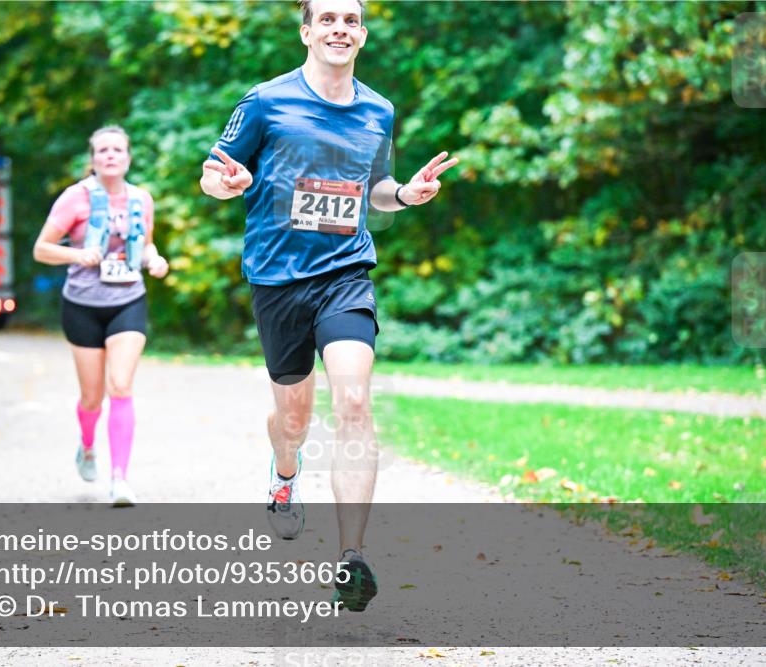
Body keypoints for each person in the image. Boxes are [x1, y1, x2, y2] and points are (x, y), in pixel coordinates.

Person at [200, 0, 457, 612]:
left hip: (345, 273)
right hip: (277, 278)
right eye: (328, 19)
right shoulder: (264, 101)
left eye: (350, 20)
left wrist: (407, 194)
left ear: (362, 35)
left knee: (354, 400)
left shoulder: (378, 110)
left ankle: (351, 558)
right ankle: (284, 474)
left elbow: (375, 191)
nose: (339, 28)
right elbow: (212, 174)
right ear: (307, 31)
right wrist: (227, 183)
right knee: (293, 422)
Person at [33, 125, 169, 506]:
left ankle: (120, 479)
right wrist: (77, 255)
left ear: (127, 158)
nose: (110, 155)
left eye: (117, 150)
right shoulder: (73, 199)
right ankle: (88, 445)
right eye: (103, 150)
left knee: (120, 386)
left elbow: (145, 245)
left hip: (128, 300)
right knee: (92, 398)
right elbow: (41, 249)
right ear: (93, 159)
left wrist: (154, 259)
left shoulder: (142, 199)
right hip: (82, 304)